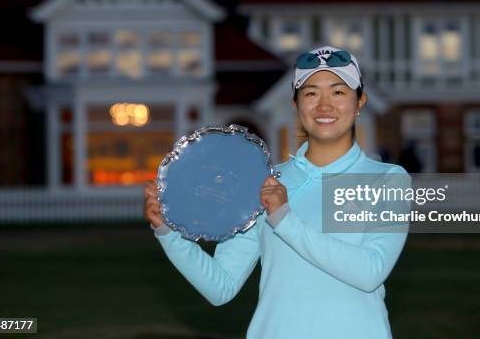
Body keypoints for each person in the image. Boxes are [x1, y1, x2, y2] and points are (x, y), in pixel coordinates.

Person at [144, 45, 410, 338]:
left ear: (360, 102)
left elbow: (369, 271)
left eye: (338, 92)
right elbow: (221, 285)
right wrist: (168, 233)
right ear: (296, 105)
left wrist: (284, 218)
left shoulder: (387, 180)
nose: (324, 105)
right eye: (310, 93)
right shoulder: (266, 182)